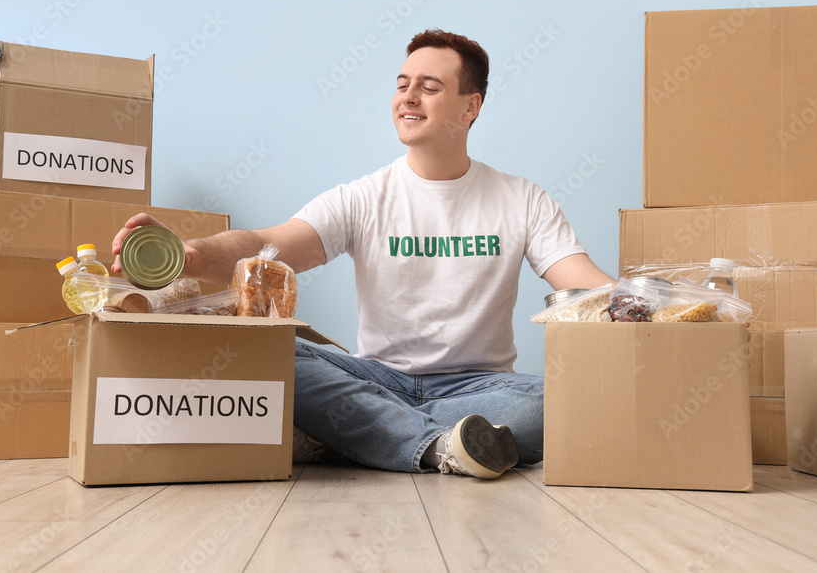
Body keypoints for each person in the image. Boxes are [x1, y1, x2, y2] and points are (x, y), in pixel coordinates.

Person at [111, 29, 615, 479]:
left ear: (470, 107)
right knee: (269, 351)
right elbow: (270, 245)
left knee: (559, 404)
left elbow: (585, 286)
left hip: (478, 387)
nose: (408, 97)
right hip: (376, 374)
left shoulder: (521, 198)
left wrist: (656, 305)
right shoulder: (362, 197)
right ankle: (437, 444)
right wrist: (191, 253)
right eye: (402, 84)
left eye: (430, 87)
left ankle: (356, 434)